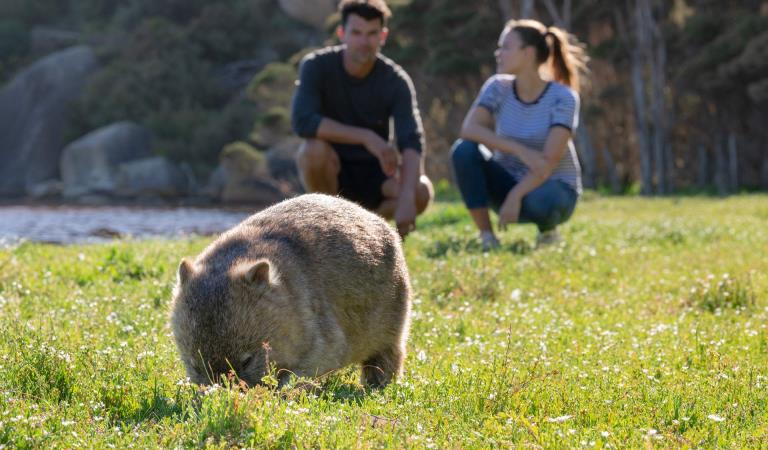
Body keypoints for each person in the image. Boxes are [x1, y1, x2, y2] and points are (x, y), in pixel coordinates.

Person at [291, 0, 433, 238]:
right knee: (311, 150)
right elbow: (303, 121)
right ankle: (330, 225)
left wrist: (407, 197)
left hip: (377, 173)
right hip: (333, 169)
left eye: (371, 34)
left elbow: (412, 139)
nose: (364, 42)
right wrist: (367, 137)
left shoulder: (396, 80)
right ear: (341, 33)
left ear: (383, 36)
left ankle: (362, 231)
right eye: (356, 33)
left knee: (421, 191)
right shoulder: (316, 66)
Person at [451, 19, 588, 251]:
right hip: (508, 181)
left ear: (528, 53)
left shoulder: (563, 97)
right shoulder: (497, 87)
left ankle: (547, 231)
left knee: (540, 200)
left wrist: (515, 195)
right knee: (464, 150)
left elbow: (547, 164)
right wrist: (519, 150)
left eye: (505, 47)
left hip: (553, 188)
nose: (498, 53)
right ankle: (487, 237)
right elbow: (470, 129)